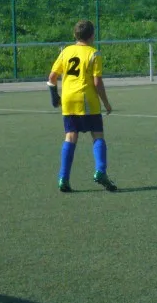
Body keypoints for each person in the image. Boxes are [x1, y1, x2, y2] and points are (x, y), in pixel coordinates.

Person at [47, 19, 117, 193]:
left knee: (70, 136)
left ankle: (63, 178)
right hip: (86, 99)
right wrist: (106, 103)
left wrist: (54, 96)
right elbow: (97, 82)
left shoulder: (66, 51)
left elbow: (52, 77)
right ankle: (100, 171)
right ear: (92, 35)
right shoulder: (94, 54)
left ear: (75, 35)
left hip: (68, 100)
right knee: (97, 135)